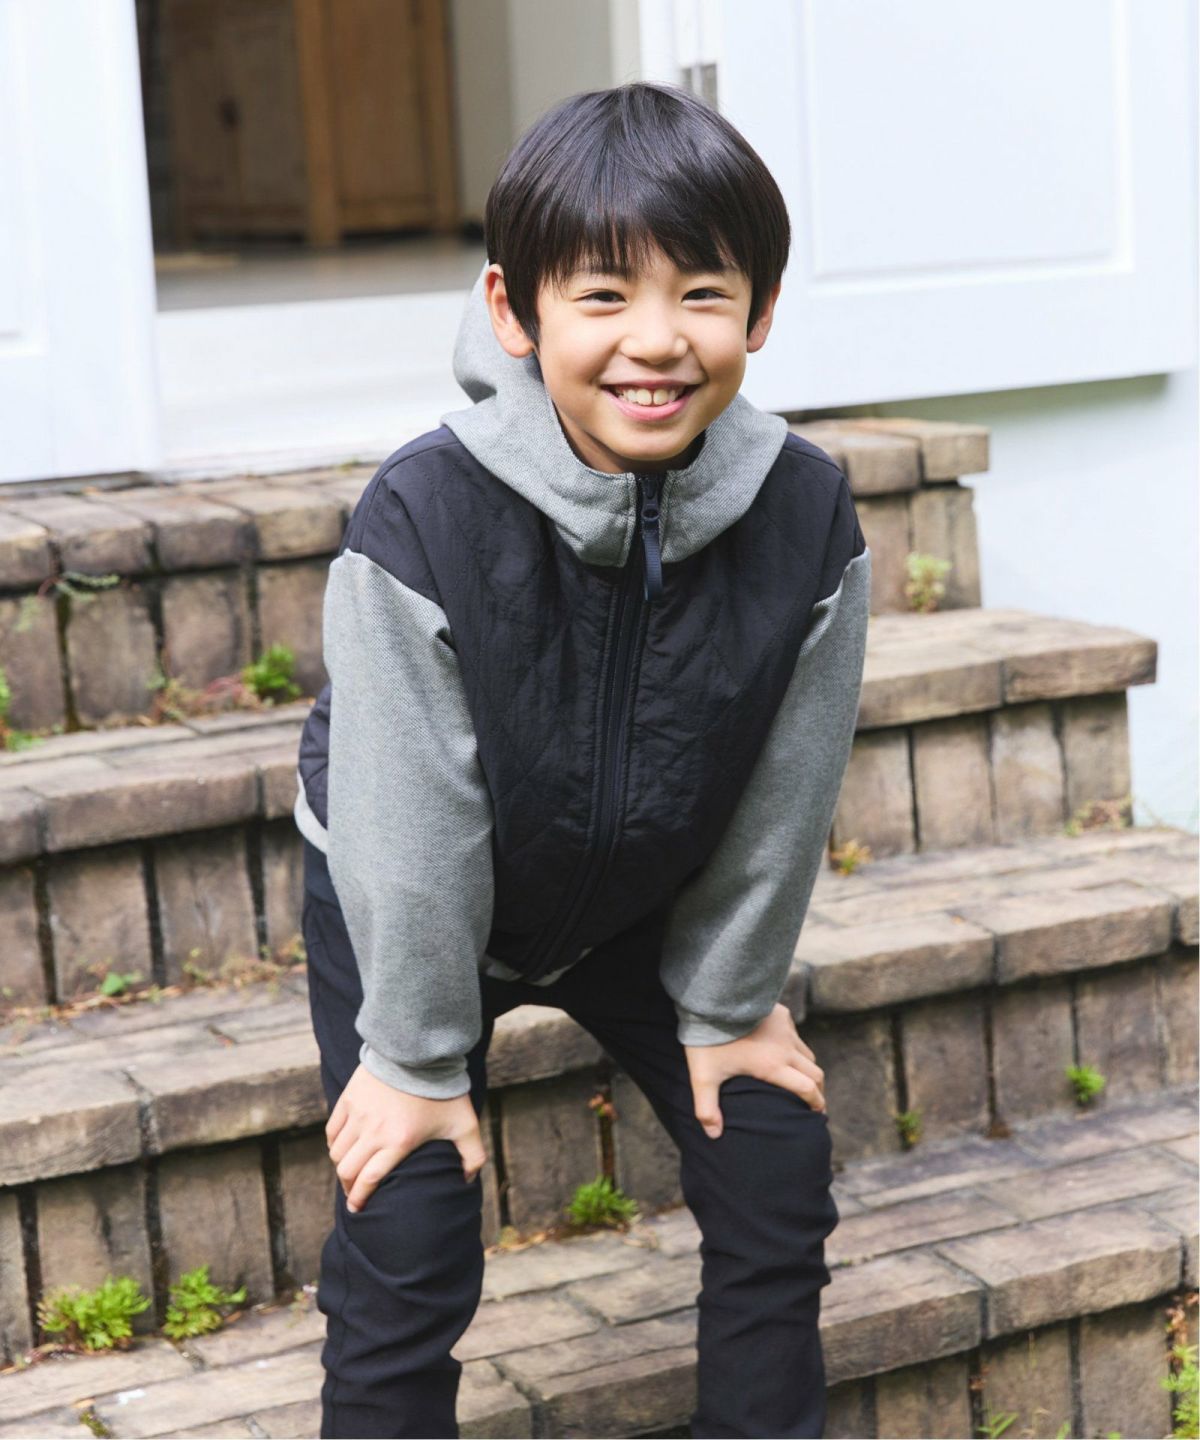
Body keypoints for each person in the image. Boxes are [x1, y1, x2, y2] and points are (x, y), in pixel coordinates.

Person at [293, 80, 871, 1440]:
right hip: (418, 900)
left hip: (638, 901)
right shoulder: (423, 513)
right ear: (515, 310)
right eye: (603, 296)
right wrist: (414, 1060)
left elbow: (786, 789)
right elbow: (412, 825)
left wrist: (730, 1003)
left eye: (703, 295)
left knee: (773, 1153)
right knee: (409, 1215)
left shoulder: (805, 511)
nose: (655, 341)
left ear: (761, 314)